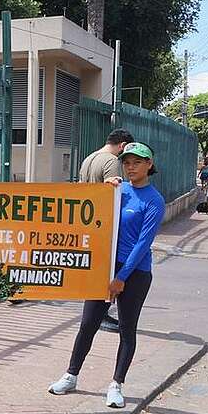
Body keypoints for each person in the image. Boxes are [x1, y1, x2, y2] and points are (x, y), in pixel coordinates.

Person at [49, 143, 165, 409]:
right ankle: (71, 375)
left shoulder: (154, 200)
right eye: (127, 162)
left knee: (126, 328)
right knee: (88, 323)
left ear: (149, 165)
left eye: (137, 162)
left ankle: (116, 384)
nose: (131, 167)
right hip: (104, 269)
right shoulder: (118, 190)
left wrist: (121, 277)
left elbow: (142, 244)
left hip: (135, 274)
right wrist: (105, 188)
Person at [78, 128, 134, 332]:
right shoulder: (111, 161)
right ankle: (100, 314)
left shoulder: (89, 158)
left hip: (88, 222)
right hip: (104, 223)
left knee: (95, 269)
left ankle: (97, 314)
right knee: (106, 270)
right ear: (122, 146)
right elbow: (113, 194)